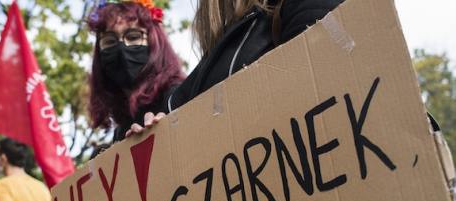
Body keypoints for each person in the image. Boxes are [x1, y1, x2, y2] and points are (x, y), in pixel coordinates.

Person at [125, 0, 344, 136]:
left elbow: (330, 97)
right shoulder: (207, 65)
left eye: (133, 37)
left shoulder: (297, 8)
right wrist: (159, 135)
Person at [87, 0, 185, 141]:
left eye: (133, 37)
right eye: (109, 41)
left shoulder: (178, 97)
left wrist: (175, 124)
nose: (121, 48)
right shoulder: (119, 133)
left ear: (155, 43)